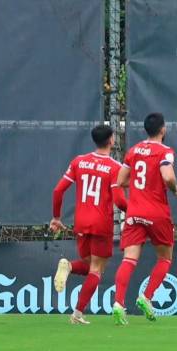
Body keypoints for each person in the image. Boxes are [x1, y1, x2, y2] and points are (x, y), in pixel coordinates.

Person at [50, 124, 127, 324]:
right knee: (97, 270)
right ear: (111, 140)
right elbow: (119, 201)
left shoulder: (79, 161)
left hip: (81, 222)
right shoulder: (114, 167)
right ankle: (77, 314)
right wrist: (134, 213)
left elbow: (58, 191)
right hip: (101, 223)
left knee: (87, 264)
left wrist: (57, 218)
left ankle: (68, 267)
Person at [110, 113, 177, 325]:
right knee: (165, 258)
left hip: (134, 212)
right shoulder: (165, 151)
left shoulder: (134, 150)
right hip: (157, 212)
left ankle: (118, 304)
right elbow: (167, 176)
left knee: (129, 260)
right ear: (163, 129)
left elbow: (121, 180)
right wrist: (175, 188)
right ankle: (146, 297)